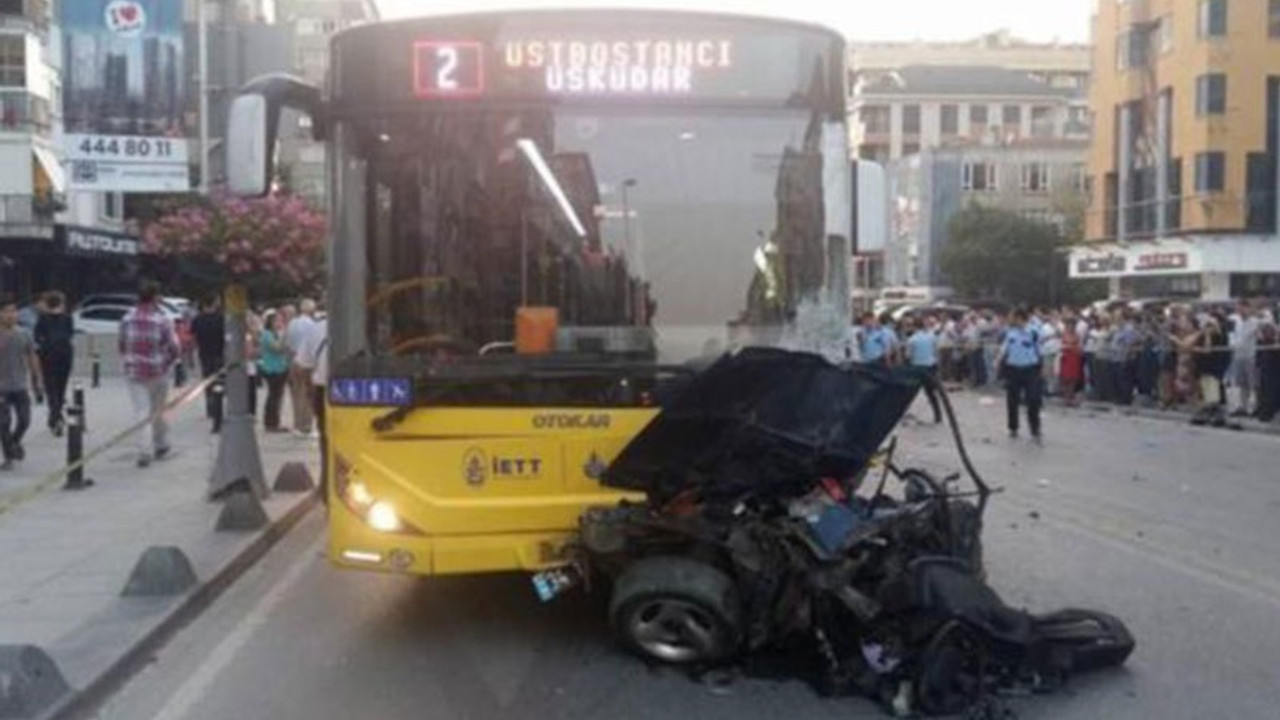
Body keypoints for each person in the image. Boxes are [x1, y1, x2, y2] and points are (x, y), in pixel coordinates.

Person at [118, 281, 179, 468]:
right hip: (157, 371)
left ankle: (144, 452)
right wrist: (167, 363)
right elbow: (174, 347)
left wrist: (128, 360)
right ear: (155, 298)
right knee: (158, 409)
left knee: (141, 411)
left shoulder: (126, 319)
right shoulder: (162, 320)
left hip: (134, 372)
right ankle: (161, 444)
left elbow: (121, 343)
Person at [0, 298, 44, 470]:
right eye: (7, 311)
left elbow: (33, 357)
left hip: (20, 385)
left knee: (24, 420)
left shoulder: (24, 334)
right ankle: (9, 456)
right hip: (1, 388)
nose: (12, 315)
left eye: (14, 311)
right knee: (3, 423)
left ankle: (14, 442)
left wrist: (38, 380)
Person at [996, 308, 1043, 443]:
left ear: (1019, 318)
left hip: (1030, 369)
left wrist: (1043, 367)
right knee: (1012, 400)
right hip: (1013, 369)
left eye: (1012, 317)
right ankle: (1013, 427)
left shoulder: (1033, 332)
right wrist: (998, 361)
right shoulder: (1010, 333)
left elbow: (1040, 350)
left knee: (1033, 399)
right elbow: (1004, 348)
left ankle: (1035, 428)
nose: (1010, 320)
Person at [34, 291, 74, 436]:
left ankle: (55, 415)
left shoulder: (42, 319)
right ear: (61, 304)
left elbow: (37, 337)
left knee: (50, 387)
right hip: (65, 354)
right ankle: (56, 415)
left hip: (48, 355)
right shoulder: (68, 318)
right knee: (61, 386)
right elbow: (70, 334)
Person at [285, 299, 320, 436]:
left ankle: (297, 424)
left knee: (296, 394)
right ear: (312, 310)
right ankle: (307, 425)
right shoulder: (312, 325)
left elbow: (287, 343)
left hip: (293, 360)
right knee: (308, 394)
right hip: (307, 362)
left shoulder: (292, 323)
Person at [191, 294, 226, 433]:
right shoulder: (220, 319)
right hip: (219, 356)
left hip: (204, 355)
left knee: (207, 382)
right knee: (218, 385)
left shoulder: (197, 319)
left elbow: (193, 337)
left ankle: (210, 408)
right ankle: (217, 415)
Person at [905, 315, 943, 424]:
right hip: (930, 367)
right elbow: (936, 352)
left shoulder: (912, 339)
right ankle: (938, 415)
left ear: (914, 327)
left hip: (916, 368)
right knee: (931, 393)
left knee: (910, 392)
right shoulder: (932, 337)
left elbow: (908, 356)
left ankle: (903, 412)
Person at [259, 310, 290, 432]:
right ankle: (271, 423)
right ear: (270, 322)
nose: (280, 323)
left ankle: (275, 421)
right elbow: (276, 348)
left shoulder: (275, 333)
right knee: (273, 396)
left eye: (281, 321)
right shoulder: (267, 335)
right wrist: (283, 337)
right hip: (272, 369)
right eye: (277, 321)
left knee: (278, 396)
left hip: (281, 367)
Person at [310, 316, 330, 503]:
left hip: (323, 389)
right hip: (359, 389)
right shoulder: (365, 320)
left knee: (326, 440)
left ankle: (326, 486)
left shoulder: (317, 328)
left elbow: (304, 362)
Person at [1229, 301, 1259, 417]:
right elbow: (1233, 336)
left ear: (1248, 308)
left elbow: (1251, 336)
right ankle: (1243, 406)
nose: (1240, 311)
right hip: (1238, 356)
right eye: (1238, 309)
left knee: (1253, 382)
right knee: (1241, 383)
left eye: (1242, 308)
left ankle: (1254, 406)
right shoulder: (1236, 322)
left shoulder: (1255, 322)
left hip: (1251, 355)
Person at [1059, 318, 1084, 406]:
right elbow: (1060, 345)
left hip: (1074, 358)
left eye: (1072, 325)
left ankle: (1071, 396)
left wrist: (1072, 347)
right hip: (1066, 358)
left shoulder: (1077, 335)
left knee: (1073, 378)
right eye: (1069, 325)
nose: (1070, 327)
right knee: (1065, 378)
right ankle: (1066, 397)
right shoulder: (1063, 334)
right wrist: (1067, 346)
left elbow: (1080, 347)